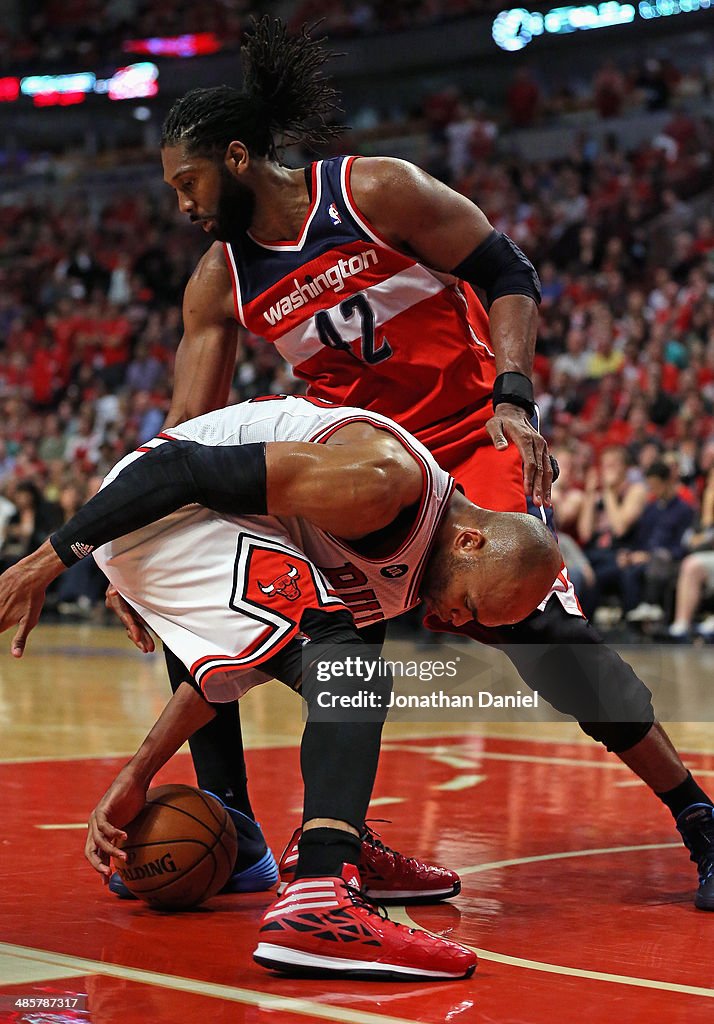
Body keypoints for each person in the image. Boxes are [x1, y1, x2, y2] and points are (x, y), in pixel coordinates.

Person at [107, 17, 714, 911]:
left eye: (188, 182)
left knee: (541, 636)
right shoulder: (217, 279)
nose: (184, 205)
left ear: (237, 158)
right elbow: (186, 429)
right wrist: (140, 556)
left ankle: (697, 816)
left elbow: (507, 270)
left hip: (470, 437)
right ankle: (242, 831)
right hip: (359, 469)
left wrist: (515, 393)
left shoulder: (373, 193)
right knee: (218, 602)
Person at [0, 395, 563, 980]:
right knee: (350, 668)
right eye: (469, 603)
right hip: (156, 506)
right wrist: (43, 562)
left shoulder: (412, 571)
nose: (456, 617)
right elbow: (177, 469)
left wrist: (137, 773)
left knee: (342, 665)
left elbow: (232, 674)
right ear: (470, 541)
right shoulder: (379, 480)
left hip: (195, 524)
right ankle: (321, 898)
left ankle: (329, 849)